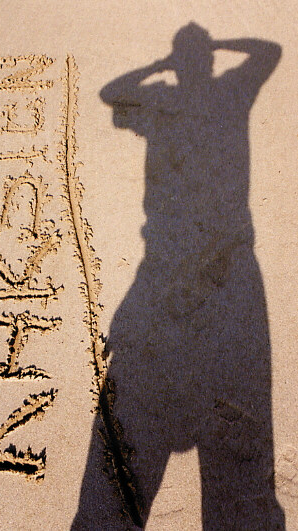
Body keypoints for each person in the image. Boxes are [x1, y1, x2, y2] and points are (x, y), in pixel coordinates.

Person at [72, 23, 284, 529]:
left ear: (197, 62)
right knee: (238, 452)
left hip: (181, 270)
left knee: (142, 444)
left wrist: (166, 65)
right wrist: (199, 54)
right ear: (202, 61)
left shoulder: (179, 102)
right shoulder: (214, 93)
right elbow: (111, 93)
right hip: (216, 270)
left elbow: (114, 93)